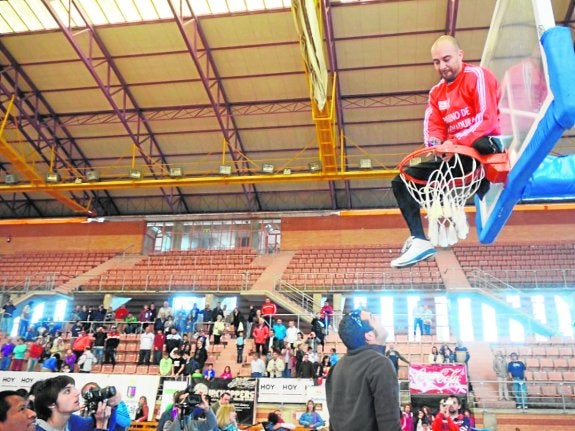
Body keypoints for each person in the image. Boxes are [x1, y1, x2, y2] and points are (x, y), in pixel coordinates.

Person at [390, 34, 502, 268]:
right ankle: (419, 241)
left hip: (483, 148)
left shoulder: (477, 76)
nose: (442, 66)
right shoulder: (436, 93)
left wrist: (456, 142)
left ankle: (485, 182)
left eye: (446, 59)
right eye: (436, 62)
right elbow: (434, 128)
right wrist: (438, 146)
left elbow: (487, 119)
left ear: (460, 55)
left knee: (481, 142)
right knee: (400, 181)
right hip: (456, 155)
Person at [325, 310, 401, 431]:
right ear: (369, 335)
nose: (377, 316)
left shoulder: (335, 369)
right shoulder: (380, 365)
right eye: (372, 317)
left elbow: (333, 424)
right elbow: (389, 424)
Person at [33, 375, 111, 431]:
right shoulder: (34, 429)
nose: (77, 393)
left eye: (74, 388)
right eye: (67, 391)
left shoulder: (73, 421)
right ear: (50, 403)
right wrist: (100, 425)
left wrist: (112, 404)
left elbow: (96, 422)